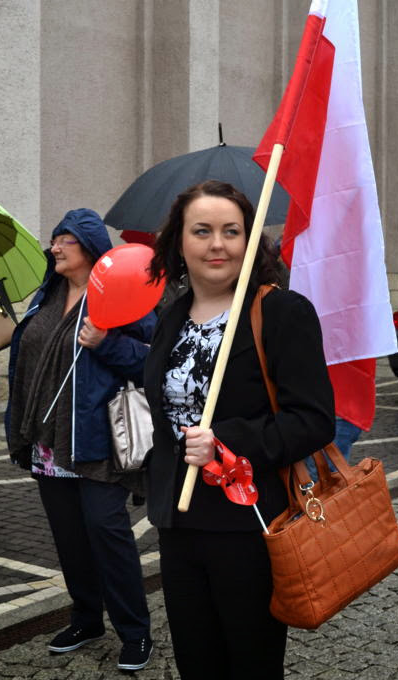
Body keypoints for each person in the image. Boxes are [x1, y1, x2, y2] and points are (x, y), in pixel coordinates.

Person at [143, 181, 335, 680]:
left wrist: (227, 441)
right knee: (196, 661)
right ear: (179, 240)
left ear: (250, 240)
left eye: (232, 231)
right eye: (202, 231)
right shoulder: (170, 317)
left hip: (249, 525)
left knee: (251, 663)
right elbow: (168, 418)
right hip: (178, 522)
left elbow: (314, 419)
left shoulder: (280, 311)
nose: (218, 244)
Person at [5, 208, 155, 672]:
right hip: (49, 442)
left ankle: (136, 631)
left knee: (108, 535)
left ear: (90, 248)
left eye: (64, 239)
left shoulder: (120, 296)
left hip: (98, 443)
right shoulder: (46, 296)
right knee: (69, 539)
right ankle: (87, 619)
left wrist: (106, 343)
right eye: (54, 239)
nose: (54, 247)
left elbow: (153, 361)